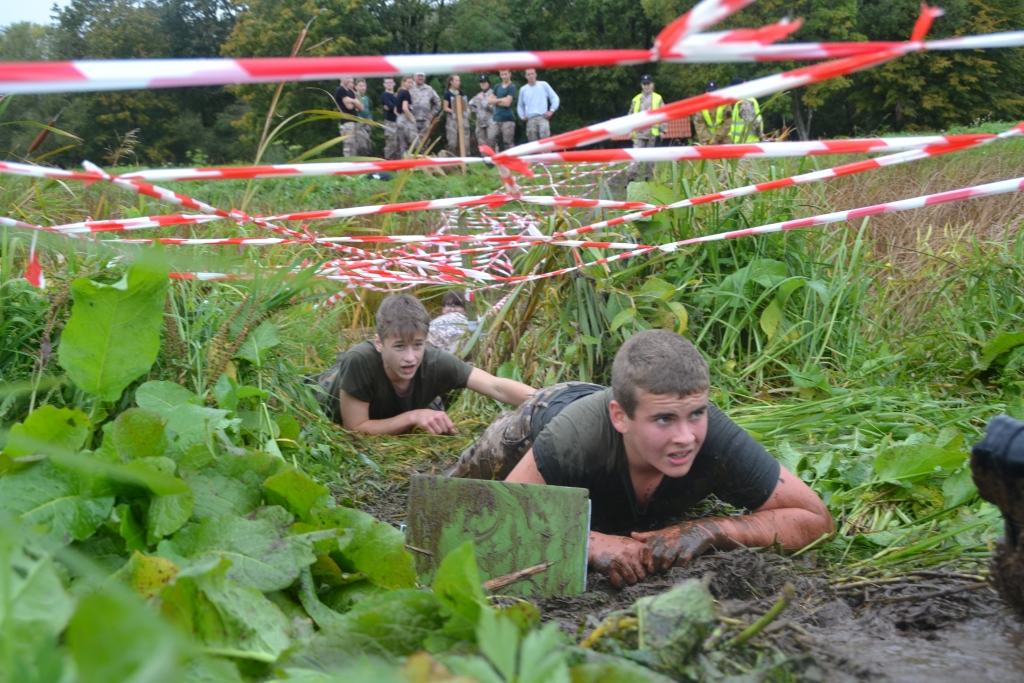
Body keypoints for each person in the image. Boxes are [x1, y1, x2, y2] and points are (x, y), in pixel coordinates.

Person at [446, 330, 833, 588]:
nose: (686, 437)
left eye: (695, 414)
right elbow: (498, 523)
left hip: (617, 404)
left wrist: (712, 530)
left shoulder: (714, 436)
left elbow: (815, 519)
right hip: (540, 417)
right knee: (456, 499)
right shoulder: (573, 440)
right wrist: (590, 543)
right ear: (621, 418)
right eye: (664, 419)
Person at [312, 294, 534, 435]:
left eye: (418, 345)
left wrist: (550, 399)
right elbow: (356, 427)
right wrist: (414, 416)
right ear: (379, 343)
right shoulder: (360, 359)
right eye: (399, 346)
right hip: (319, 393)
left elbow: (496, 386)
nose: (410, 357)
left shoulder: (435, 361)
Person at [626, 74, 664, 183]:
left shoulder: (658, 98)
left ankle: (649, 181)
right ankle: (630, 180)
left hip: (652, 134)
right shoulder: (636, 99)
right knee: (635, 157)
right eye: (644, 84)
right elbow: (630, 116)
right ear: (641, 85)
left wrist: (663, 130)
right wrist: (630, 130)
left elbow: (664, 114)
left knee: (650, 160)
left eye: (648, 84)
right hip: (639, 134)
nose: (646, 86)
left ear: (652, 85)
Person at [517, 68, 560, 142]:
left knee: (546, 143)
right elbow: (520, 105)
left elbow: (555, 98)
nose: (531, 76)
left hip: (543, 117)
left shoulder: (543, 85)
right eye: (528, 74)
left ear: (536, 75)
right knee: (532, 144)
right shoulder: (523, 89)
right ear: (526, 76)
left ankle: (547, 154)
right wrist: (522, 116)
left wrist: (551, 110)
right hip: (530, 119)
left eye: (532, 74)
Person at [427, 291, 471, 355]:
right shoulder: (434, 324)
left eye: (457, 305)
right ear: (443, 308)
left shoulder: (471, 326)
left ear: (465, 310)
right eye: (449, 305)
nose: (452, 309)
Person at [334, 76, 365, 157]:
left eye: (349, 77)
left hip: (355, 122)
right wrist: (355, 102)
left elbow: (361, 107)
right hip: (347, 123)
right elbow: (349, 107)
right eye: (346, 77)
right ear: (340, 78)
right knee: (349, 147)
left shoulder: (351, 92)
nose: (348, 79)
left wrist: (353, 101)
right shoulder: (340, 90)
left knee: (355, 148)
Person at [694, 81, 731, 146]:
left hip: (724, 139)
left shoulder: (725, 102)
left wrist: (717, 138)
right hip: (706, 141)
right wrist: (707, 140)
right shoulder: (701, 104)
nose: (711, 94)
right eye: (709, 91)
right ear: (706, 92)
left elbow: (728, 122)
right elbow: (699, 124)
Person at [488, 70, 518, 151]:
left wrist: (496, 100)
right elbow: (489, 100)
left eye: (505, 74)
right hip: (497, 118)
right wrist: (501, 100)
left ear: (510, 74)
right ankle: (493, 160)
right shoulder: (497, 86)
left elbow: (507, 103)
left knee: (507, 142)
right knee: (491, 138)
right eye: (502, 74)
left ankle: (511, 161)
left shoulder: (512, 87)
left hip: (508, 119)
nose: (504, 76)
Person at [410, 72, 442, 147]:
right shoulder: (409, 87)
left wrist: (432, 113)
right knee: (412, 143)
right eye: (419, 76)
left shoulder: (429, 89)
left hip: (425, 121)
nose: (420, 78)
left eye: (422, 76)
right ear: (414, 77)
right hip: (412, 120)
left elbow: (438, 102)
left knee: (424, 142)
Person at [728, 77, 764, 143]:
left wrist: (761, 137)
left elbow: (754, 124)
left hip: (747, 143)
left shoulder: (744, 103)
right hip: (744, 143)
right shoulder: (743, 101)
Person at [442, 74, 471, 156]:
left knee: (465, 140)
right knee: (452, 142)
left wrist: (467, 110)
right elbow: (445, 108)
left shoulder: (461, 93)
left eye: (459, 81)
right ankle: (452, 159)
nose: (458, 82)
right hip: (452, 118)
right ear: (451, 82)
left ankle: (466, 159)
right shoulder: (447, 94)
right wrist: (455, 111)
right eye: (456, 80)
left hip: (462, 118)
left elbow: (465, 105)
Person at [468, 74, 496, 154]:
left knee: (491, 141)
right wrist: (468, 112)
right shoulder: (478, 95)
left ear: (488, 83)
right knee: (481, 144)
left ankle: (494, 159)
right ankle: (486, 161)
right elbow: (470, 106)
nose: (483, 84)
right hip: (480, 124)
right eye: (481, 82)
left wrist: (483, 99)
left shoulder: (494, 94)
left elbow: (492, 108)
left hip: (491, 123)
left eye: (484, 82)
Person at [396, 75, 419, 156]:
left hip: (399, 119)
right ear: (404, 82)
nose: (410, 84)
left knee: (403, 145)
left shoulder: (399, 92)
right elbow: (405, 108)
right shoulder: (405, 92)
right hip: (405, 118)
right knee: (415, 143)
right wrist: (412, 119)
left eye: (412, 83)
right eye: (408, 82)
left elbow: (396, 109)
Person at [382, 77, 400, 160]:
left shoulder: (397, 95)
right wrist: (395, 107)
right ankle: (388, 162)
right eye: (387, 82)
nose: (389, 84)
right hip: (390, 122)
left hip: (398, 122)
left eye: (390, 82)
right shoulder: (385, 95)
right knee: (390, 144)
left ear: (394, 83)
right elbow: (391, 106)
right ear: (384, 84)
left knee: (398, 143)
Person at [354, 78, 373, 156]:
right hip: (359, 126)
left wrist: (371, 120)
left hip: (367, 125)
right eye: (360, 86)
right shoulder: (355, 97)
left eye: (364, 86)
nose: (362, 88)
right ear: (356, 87)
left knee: (369, 147)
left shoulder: (366, 98)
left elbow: (367, 110)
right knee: (362, 146)